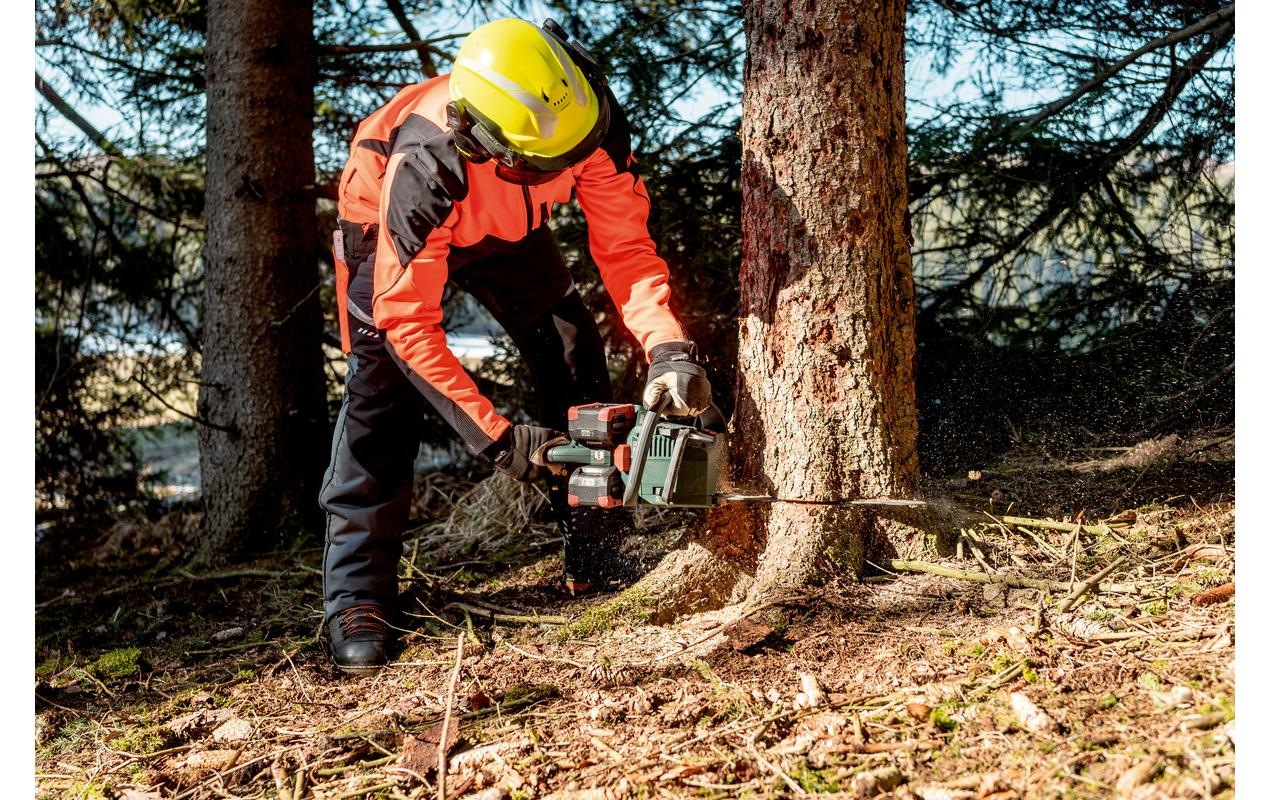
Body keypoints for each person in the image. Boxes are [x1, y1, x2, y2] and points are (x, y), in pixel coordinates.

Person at [320, 17, 713, 673]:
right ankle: (357, 595)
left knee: (572, 356)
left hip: (511, 228)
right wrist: (498, 438)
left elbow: (625, 250)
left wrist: (667, 347)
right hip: (386, 231)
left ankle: (596, 548)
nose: (573, 167)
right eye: (551, 164)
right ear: (483, 143)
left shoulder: (585, 116)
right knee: (378, 398)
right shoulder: (425, 164)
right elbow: (406, 322)